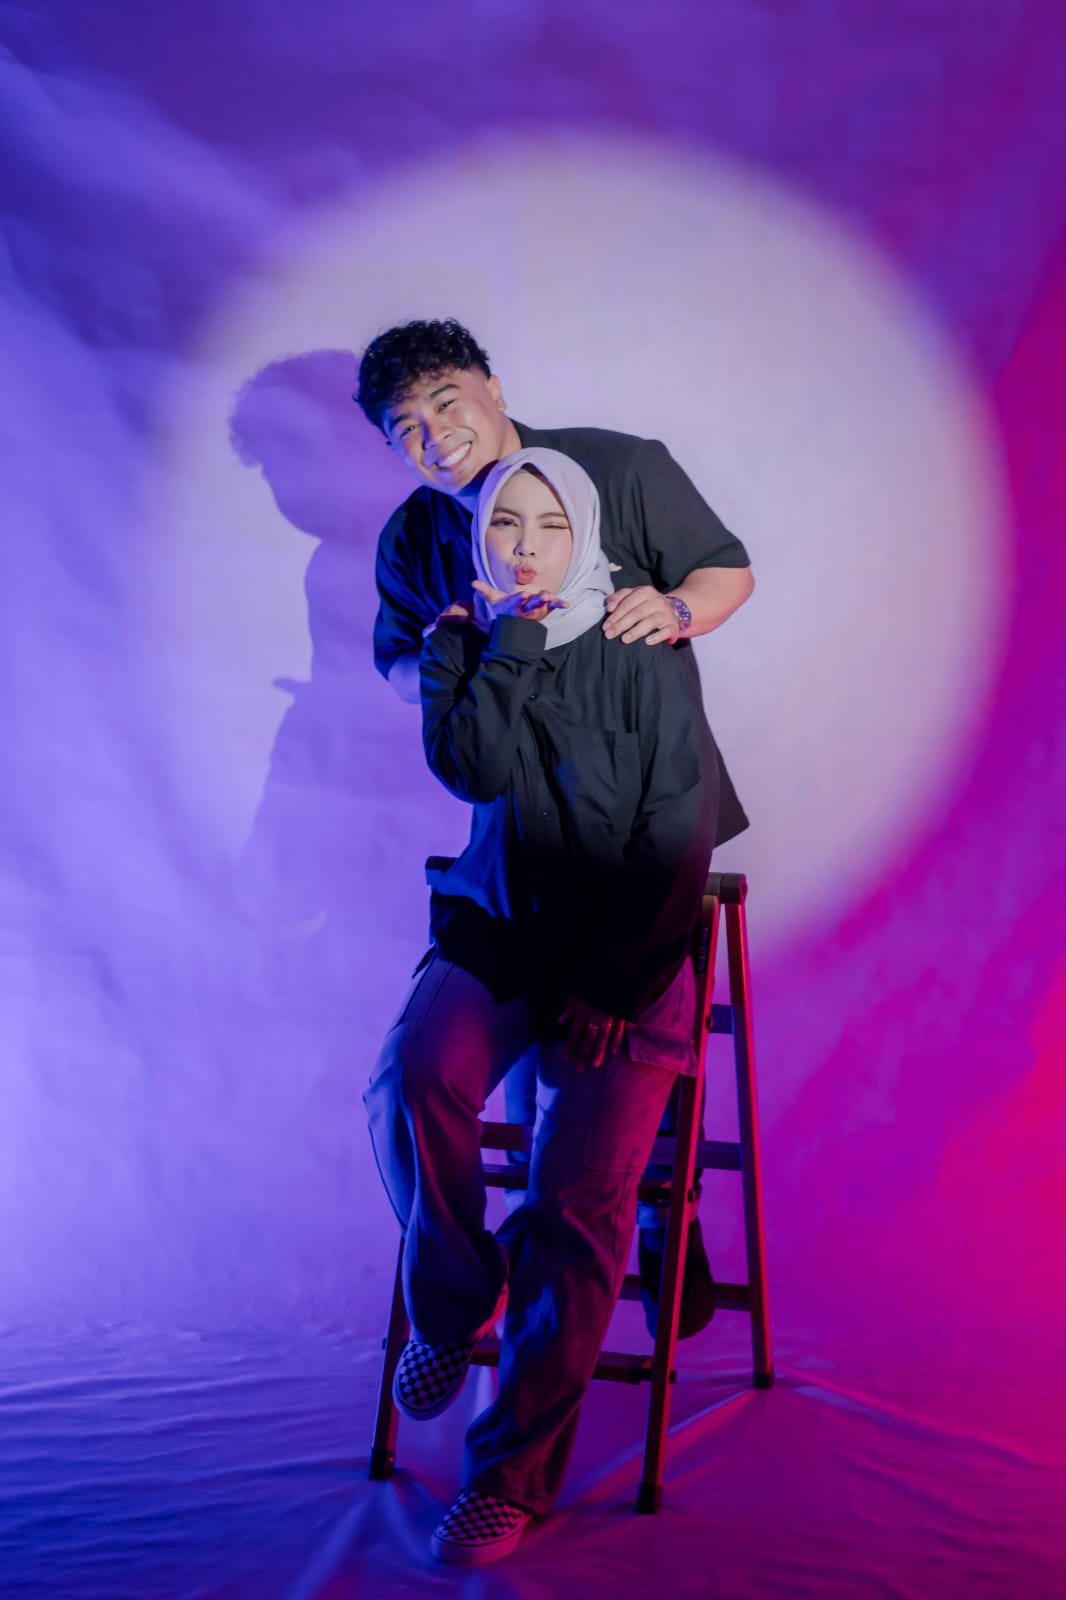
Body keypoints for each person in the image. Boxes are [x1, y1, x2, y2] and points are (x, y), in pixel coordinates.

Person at [355, 318, 751, 1342]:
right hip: (516, 827)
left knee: (619, 1029)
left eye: (448, 401)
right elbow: (397, 661)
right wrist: (456, 663)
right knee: (437, 1071)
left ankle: (661, 1214)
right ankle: (468, 1288)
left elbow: (724, 571)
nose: (435, 435)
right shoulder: (415, 538)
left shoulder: (617, 468)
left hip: (636, 808)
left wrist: (675, 609)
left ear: (491, 387)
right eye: (406, 428)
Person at [364, 449, 721, 1563]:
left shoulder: (642, 645)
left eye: (549, 526)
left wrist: (618, 982)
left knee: (576, 1197)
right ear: (480, 540)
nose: (526, 547)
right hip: (501, 932)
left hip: (628, 955)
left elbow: (680, 826)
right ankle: (457, 1292)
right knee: (410, 1079)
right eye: (504, 526)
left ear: (586, 536)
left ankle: (509, 1476)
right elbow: (472, 770)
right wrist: (504, 640)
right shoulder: (462, 643)